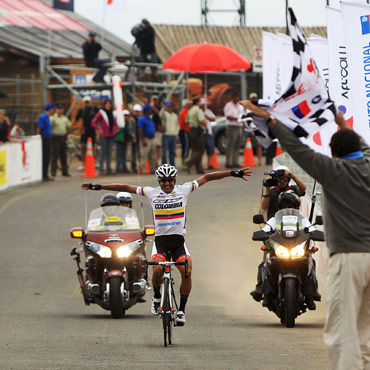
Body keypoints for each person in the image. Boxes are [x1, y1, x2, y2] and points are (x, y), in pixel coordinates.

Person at [241, 100, 370, 370]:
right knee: (364, 332)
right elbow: (359, 145)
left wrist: (271, 119)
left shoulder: (333, 170)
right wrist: (341, 121)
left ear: (334, 155)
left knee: (341, 333)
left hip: (349, 259)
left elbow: (298, 150)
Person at [81, 163, 252, 326]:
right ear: (158, 181)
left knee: (187, 271)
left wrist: (233, 173)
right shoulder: (151, 192)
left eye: (170, 180)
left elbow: (207, 177)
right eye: (163, 181)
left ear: (175, 180)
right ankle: (156, 298)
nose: (167, 183)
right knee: (157, 269)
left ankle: (181, 311)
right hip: (161, 243)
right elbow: (126, 187)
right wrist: (98, 186)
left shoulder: (184, 190)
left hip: (178, 243)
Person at [251, 191, 320, 310]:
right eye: (284, 206)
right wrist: (262, 233)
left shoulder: (302, 220)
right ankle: (263, 291)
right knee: (265, 262)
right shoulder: (274, 219)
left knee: (310, 261)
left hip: (297, 249)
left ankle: (310, 294)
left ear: (296, 207)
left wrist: (315, 233)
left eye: (290, 206)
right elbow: (267, 229)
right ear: (280, 207)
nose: (287, 208)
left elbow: (311, 229)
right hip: (280, 249)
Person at [91, 99, 118, 175]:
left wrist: (114, 131)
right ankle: (101, 168)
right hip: (103, 135)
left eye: (109, 104)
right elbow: (93, 121)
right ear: (104, 105)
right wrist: (98, 129)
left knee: (109, 152)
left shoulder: (113, 113)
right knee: (103, 152)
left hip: (111, 135)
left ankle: (109, 167)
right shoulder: (101, 113)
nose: (108, 105)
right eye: (106, 104)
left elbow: (115, 123)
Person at [72, 96, 99, 168]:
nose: (87, 103)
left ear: (90, 102)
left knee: (93, 146)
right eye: (86, 102)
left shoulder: (95, 109)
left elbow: (100, 117)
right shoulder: (82, 110)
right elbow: (76, 119)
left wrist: (99, 128)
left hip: (93, 130)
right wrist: (70, 126)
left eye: (88, 102)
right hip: (85, 130)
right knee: (83, 146)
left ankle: (93, 162)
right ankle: (84, 163)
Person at [184, 96, 207, 174]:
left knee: (194, 149)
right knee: (200, 150)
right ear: (198, 102)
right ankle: (189, 163)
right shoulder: (198, 110)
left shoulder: (190, 110)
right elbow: (201, 120)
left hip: (191, 130)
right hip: (198, 131)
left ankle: (199, 168)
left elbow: (186, 121)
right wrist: (206, 127)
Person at [50, 105, 71, 177]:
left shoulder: (64, 118)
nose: (60, 111)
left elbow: (68, 126)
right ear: (56, 110)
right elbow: (50, 127)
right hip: (55, 138)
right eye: (59, 109)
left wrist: (67, 133)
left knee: (64, 155)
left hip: (63, 137)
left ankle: (65, 171)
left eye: (61, 109)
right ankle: (53, 172)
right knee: (55, 156)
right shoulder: (53, 118)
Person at [223, 92, 243, 168]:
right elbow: (228, 116)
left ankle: (235, 161)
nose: (236, 99)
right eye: (235, 97)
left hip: (239, 126)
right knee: (230, 144)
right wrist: (237, 119)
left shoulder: (240, 106)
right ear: (232, 98)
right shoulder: (228, 105)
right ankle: (229, 162)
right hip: (232, 126)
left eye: (237, 98)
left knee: (237, 145)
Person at [37, 103, 55, 182]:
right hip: (45, 138)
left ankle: (46, 174)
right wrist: (38, 136)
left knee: (47, 157)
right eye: (52, 109)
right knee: (45, 156)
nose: (53, 110)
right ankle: (44, 174)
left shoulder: (48, 117)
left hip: (48, 137)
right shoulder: (43, 117)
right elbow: (40, 128)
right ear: (49, 109)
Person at [138, 104, 156, 173]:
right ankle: (142, 169)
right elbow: (140, 129)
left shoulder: (150, 118)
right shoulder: (142, 119)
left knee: (152, 155)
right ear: (146, 111)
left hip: (152, 138)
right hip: (145, 138)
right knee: (144, 155)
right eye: (150, 111)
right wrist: (142, 140)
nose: (151, 112)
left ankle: (152, 169)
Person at [245, 93, 263, 166]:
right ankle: (248, 160)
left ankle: (259, 160)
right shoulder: (247, 107)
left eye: (255, 98)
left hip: (256, 128)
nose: (254, 100)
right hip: (248, 128)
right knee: (247, 145)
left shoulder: (259, 107)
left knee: (258, 145)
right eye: (252, 98)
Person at [160, 101, 179, 166]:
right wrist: (163, 107)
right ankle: (164, 165)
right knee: (164, 152)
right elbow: (161, 114)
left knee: (172, 152)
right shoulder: (164, 114)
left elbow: (177, 125)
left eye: (170, 107)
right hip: (166, 135)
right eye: (167, 107)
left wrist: (176, 133)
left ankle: (172, 165)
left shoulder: (175, 115)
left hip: (173, 135)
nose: (169, 108)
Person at [201, 99, 216, 170]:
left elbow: (214, 119)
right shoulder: (199, 111)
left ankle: (209, 164)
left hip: (208, 132)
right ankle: (200, 164)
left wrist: (208, 117)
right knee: (201, 149)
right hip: (201, 133)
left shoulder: (208, 111)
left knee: (210, 148)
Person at [115, 109, 131, 174]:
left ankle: (124, 167)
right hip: (120, 140)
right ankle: (118, 167)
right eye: (125, 115)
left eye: (127, 115)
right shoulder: (120, 122)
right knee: (119, 154)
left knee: (124, 154)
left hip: (125, 140)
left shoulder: (128, 123)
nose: (126, 116)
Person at [150, 95, 164, 165]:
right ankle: (153, 161)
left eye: (156, 100)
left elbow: (159, 114)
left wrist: (153, 107)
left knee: (158, 146)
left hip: (157, 130)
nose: (155, 102)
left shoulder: (160, 107)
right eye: (153, 100)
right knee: (153, 147)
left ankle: (158, 161)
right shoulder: (149, 108)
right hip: (151, 130)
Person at [129, 104, 142, 173]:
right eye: (136, 111)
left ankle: (139, 166)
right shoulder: (132, 119)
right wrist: (133, 138)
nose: (137, 112)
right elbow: (131, 129)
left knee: (140, 153)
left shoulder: (141, 118)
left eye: (138, 111)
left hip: (140, 138)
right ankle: (133, 166)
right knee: (134, 153)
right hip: (135, 138)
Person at [178, 99, 192, 164]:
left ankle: (185, 160)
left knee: (186, 147)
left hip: (185, 131)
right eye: (189, 104)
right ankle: (184, 161)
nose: (191, 105)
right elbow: (185, 121)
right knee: (186, 147)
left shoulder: (186, 111)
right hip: (185, 131)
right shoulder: (185, 111)